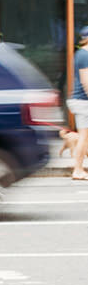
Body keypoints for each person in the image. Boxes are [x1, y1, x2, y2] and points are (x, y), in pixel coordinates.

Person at [63, 24, 88, 182]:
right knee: (83, 137)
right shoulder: (84, 55)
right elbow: (86, 82)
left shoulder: (82, 54)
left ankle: (79, 169)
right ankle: (78, 170)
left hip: (80, 101)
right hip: (83, 102)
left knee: (84, 137)